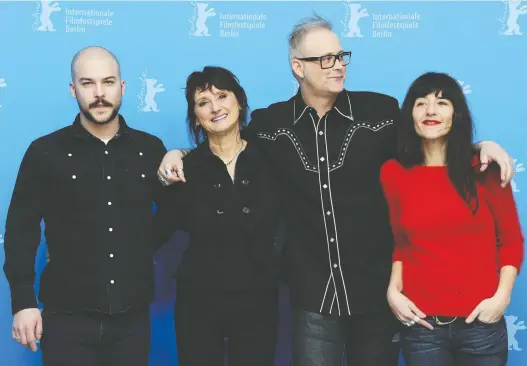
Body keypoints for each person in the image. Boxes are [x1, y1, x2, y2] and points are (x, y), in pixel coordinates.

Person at [157, 16, 515, 366]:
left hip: (377, 293)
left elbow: (428, 142)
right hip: (312, 294)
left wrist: (478, 146)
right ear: (298, 67)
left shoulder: (382, 111)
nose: (337, 66)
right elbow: (226, 144)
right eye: (325, 59)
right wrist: (181, 155)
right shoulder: (271, 123)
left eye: (341, 56)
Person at [3, 46, 168, 365]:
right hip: (66, 320)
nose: (99, 93)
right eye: (88, 83)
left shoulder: (149, 149)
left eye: (108, 82)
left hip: (133, 322)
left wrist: (141, 244)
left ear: (122, 87)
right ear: (73, 89)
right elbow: (21, 230)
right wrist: (23, 302)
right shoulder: (44, 152)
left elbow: (180, 210)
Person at [380, 72, 524, 366]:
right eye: (421, 103)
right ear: (410, 115)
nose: (431, 110)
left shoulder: (486, 169)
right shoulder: (393, 173)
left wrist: (502, 298)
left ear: (456, 114)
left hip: (481, 327)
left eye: (442, 102)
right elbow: (400, 242)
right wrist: (393, 290)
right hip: (422, 328)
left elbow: (510, 240)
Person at [154, 66, 282, 366]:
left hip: (258, 298)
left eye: (222, 96)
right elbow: (157, 231)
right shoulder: (186, 169)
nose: (215, 108)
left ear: (239, 101)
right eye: (203, 102)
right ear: (195, 115)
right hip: (199, 300)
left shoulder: (272, 158)